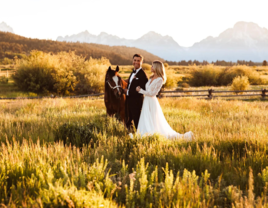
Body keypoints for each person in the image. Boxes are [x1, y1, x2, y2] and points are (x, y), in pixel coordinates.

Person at [135, 60, 193, 141]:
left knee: (153, 119)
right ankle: (145, 134)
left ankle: (154, 135)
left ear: (156, 67)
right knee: (146, 118)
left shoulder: (160, 79)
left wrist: (140, 90)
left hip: (152, 102)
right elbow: (147, 89)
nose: (151, 67)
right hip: (146, 101)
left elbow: (153, 93)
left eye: (152, 66)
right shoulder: (151, 77)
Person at [124, 54, 148, 130]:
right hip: (129, 102)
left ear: (142, 62)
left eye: (138, 61)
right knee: (128, 122)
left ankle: (141, 138)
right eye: (135, 60)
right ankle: (131, 136)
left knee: (138, 123)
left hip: (137, 103)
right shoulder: (133, 72)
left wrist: (127, 92)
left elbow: (141, 92)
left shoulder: (143, 75)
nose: (136, 62)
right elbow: (131, 84)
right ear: (132, 61)